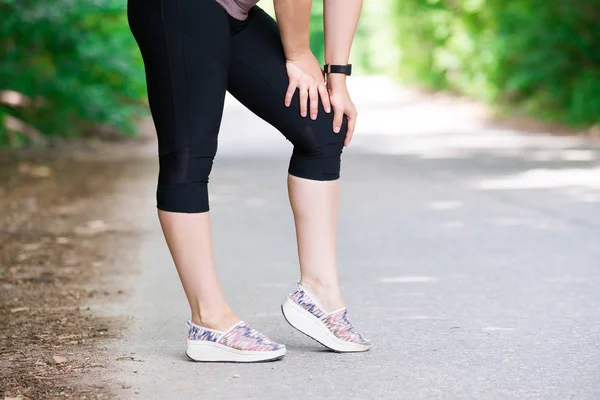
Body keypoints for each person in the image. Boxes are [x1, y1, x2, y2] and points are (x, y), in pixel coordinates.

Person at [127, 0, 369, 362]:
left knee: (322, 129)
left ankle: (320, 292)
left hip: (232, 13)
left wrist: (337, 78)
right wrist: (298, 52)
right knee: (189, 153)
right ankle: (209, 320)